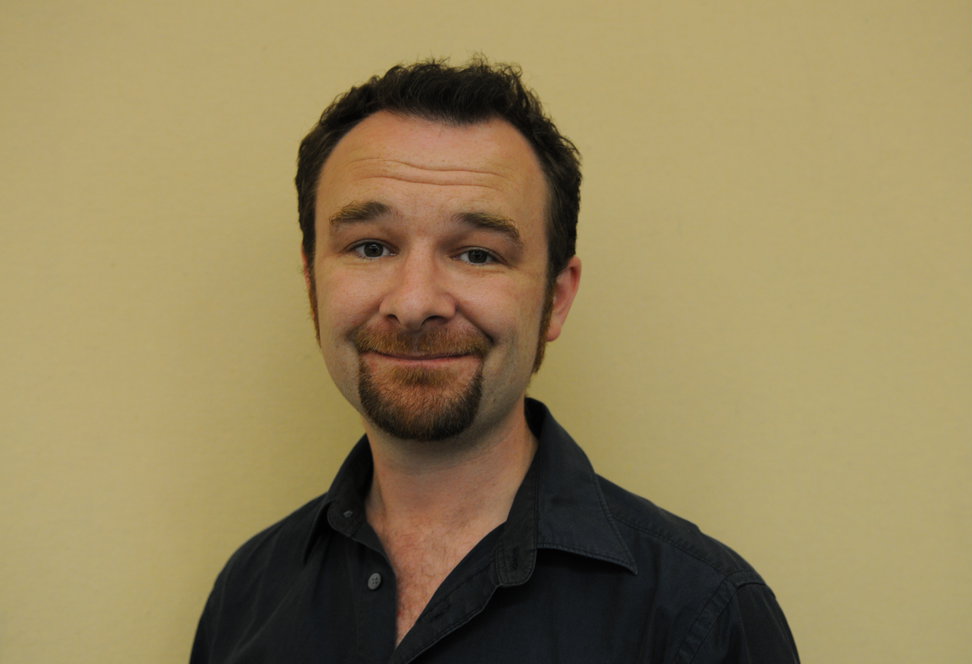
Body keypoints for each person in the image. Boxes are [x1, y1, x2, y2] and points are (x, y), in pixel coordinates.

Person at [191, 59, 799, 663]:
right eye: (371, 247)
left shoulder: (702, 614)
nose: (415, 304)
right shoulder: (246, 596)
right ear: (311, 283)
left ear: (555, 300)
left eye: (478, 254)